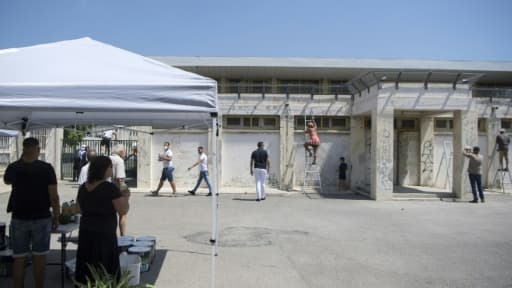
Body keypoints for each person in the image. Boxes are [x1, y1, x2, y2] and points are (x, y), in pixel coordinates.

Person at [4, 137, 60, 288]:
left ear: (23, 150)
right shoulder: (46, 168)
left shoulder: (14, 167)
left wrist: (22, 160)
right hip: (41, 217)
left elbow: (7, 181)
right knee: (39, 259)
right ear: (38, 149)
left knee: (19, 259)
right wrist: (56, 216)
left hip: (18, 218)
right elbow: (53, 196)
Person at [74, 156, 129, 285]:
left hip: (86, 232)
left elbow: (77, 209)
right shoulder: (109, 188)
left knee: (87, 266)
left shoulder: (83, 187)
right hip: (104, 234)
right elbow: (123, 210)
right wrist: (126, 197)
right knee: (104, 267)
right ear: (103, 169)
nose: (112, 169)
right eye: (110, 167)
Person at [110, 144, 130, 236]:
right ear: (121, 152)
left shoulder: (107, 158)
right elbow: (120, 180)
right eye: (125, 151)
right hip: (115, 192)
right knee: (123, 214)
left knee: (110, 215)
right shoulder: (119, 160)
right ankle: (123, 237)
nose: (125, 153)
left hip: (104, 190)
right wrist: (126, 193)